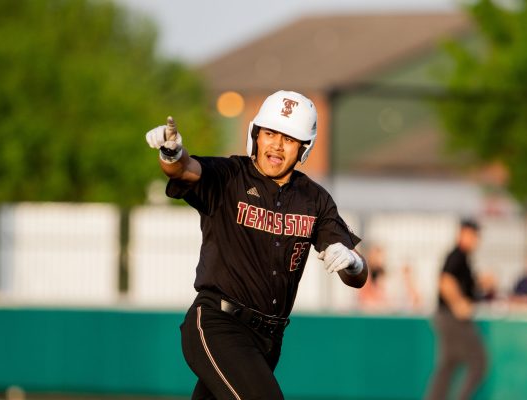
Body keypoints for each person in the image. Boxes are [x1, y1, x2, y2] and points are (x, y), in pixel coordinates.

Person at [145, 90, 368, 400]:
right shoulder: (229, 176)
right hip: (218, 324)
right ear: (256, 135)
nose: (277, 144)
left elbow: (357, 276)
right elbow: (184, 169)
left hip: (268, 340)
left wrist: (353, 262)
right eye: (270, 133)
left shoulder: (314, 199)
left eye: (289, 138)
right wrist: (171, 154)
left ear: (304, 148)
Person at [425, 219, 487, 400]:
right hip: (452, 318)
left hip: (446, 318)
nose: (476, 239)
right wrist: (459, 303)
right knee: (479, 362)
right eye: (473, 235)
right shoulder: (457, 255)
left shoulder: (464, 258)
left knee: (448, 364)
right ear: (463, 234)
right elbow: (445, 281)